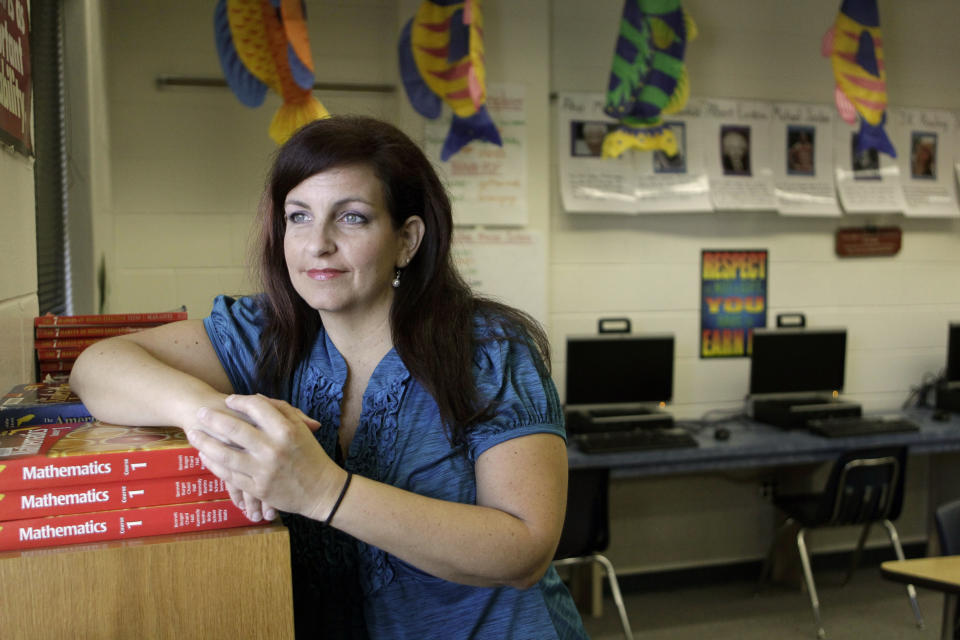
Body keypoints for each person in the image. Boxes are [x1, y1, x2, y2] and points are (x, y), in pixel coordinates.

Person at [70, 115, 587, 640]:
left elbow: (524, 549)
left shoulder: (489, 350)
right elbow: (97, 366)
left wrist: (323, 493)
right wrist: (208, 416)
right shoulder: (266, 333)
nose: (317, 243)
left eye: (352, 218)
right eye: (299, 216)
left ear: (406, 239)